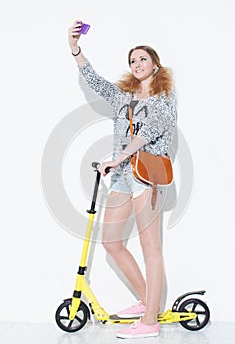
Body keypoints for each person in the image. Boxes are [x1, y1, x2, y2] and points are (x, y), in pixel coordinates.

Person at [68, 19, 176, 339]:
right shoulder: (122, 97)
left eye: (143, 58)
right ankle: (147, 303)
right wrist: (75, 48)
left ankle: (150, 324)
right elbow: (95, 81)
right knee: (112, 242)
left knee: (150, 247)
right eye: (133, 60)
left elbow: (147, 134)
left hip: (146, 176)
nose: (137, 63)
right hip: (122, 178)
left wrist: (116, 158)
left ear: (155, 65)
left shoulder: (163, 97)